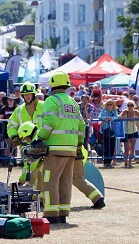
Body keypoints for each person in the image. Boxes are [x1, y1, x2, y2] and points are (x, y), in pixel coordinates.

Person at [30, 71, 85, 224]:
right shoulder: (72, 102)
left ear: (52, 84)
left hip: (54, 148)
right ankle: (62, 214)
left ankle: (51, 214)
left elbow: (50, 122)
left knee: (50, 180)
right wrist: (79, 144)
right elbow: (81, 125)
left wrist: (40, 138)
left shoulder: (51, 100)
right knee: (65, 181)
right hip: (71, 148)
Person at [7, 81, 44, 148]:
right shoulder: (18, 110)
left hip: (42, 145)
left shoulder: (44, 105)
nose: (27, 96)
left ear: (33, 94)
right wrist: (14, 136)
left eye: (29, 93)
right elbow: (11, 126)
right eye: (25, 94)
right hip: (26, 147)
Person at [118, 100, 139, 168]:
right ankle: (126, 162)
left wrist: (136, 118)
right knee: (126, 148)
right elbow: (119, 116)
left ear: (133, 106)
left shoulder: (136, 112)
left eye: (131, 105)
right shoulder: (125, 111)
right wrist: (128, 118)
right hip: (125, 132)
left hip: (134, 131)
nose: (130, 106)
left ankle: (130, 163)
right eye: (128, 105)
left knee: (132, 148)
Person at [98, 99, 119, 168]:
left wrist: (110, 118)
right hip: (105, 131)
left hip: (113, 131)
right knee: (107, 147)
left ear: (113, 105)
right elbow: (99, 117)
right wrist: (106, 118)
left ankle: (109, 162)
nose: (109, 106)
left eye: (111, 104)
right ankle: (106, 162)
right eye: (108, 104)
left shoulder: (115, 111)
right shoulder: (104, 110)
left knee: (112, 147)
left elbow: (116, 117)